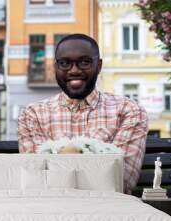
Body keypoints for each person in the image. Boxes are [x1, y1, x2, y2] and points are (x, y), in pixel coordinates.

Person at [18, 34, 148, 194]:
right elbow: (36, 181)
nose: (74, 71)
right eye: (65, 63)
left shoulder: (128, 111)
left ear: (99, 65)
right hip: (50, 212)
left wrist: (60, 158)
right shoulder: (33, 114)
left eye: (84, 62)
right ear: (55, 67)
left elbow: (121, 180)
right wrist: (96, 159)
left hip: (108, 213)